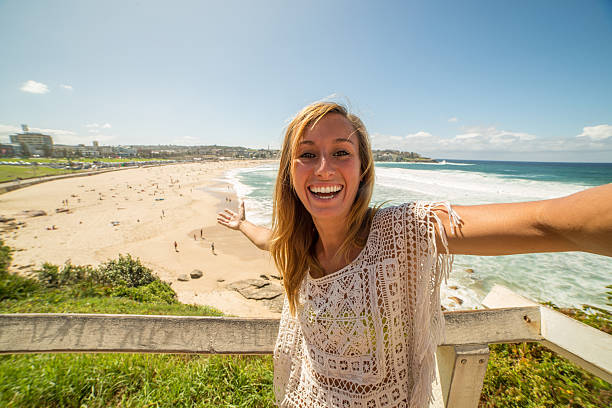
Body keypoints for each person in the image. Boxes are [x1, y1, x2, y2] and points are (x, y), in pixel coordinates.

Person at [217, 101, 612, 408]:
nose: (323, 168)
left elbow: (545, 223)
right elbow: (270, 240)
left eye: (341, 152)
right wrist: (241, 226)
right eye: (307, 154)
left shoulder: (400, 232)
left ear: (363, 169)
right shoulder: (300, 243)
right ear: (290, 171)